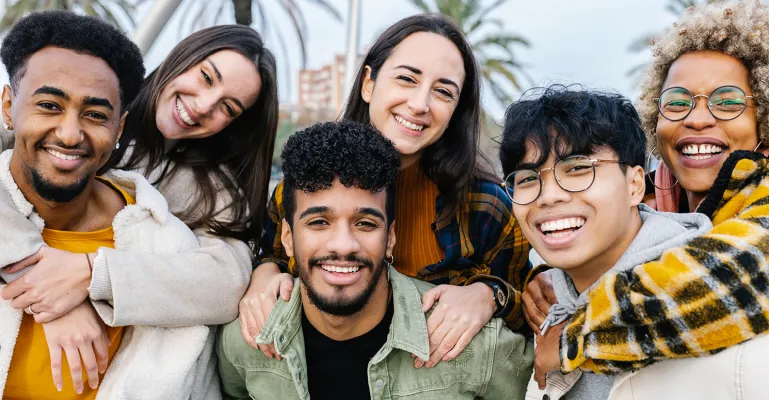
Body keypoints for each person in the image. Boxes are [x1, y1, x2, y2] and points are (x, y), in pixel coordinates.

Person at [523, 0, 769, 388]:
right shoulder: (655, 189)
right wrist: (555, 275)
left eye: (727, 102)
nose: (696, 118)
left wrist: (576, 337)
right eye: (677, 103)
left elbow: (736, 281)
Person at [0, 16, 278, 397]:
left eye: (227, 108)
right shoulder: (83, 96)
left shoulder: (213, 191)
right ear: (181, 59)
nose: (202, 106)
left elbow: (225, 279)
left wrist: (93, 275)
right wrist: (46, 295)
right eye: (206, 78)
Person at [243, 14, 533, 369]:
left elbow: (529, 306)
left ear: (456, 110)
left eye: (443, 91)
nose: (420, 104)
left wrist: (489, 294)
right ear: (369, 83)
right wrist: (264, 274)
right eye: (406, 79)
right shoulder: (304, 185)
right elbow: (275, 251)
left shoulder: (487, 207)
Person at [216, 120, 534, 400]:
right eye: (319, 222)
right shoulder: (243, 340)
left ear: (391, 237)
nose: (343, 245)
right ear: (287, 237)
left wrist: (491, 293)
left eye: (365, 223)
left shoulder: (476, 347)